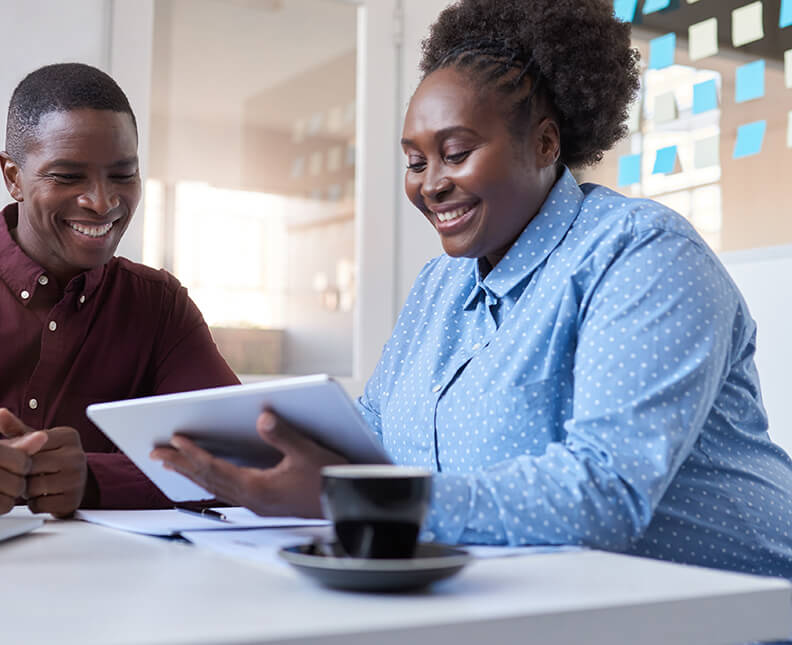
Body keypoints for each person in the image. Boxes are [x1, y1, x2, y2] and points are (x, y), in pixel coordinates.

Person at [152, 0, 792, 578]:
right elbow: (371, 436)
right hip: (532, 602)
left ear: (545, 143)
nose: (430, 184)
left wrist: (350, 495)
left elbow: (605, 492)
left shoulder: (641, 253)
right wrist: (261, 455)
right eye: (415, 161)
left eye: (455, 153)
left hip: (730, 607)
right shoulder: (441, 283)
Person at [0, 63, 238, 518]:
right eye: (67, 176)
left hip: (102, 584)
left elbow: (237, 461)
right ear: (12, 177)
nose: (101, 202)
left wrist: (94, 478)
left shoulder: (158, 306)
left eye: (123, 176)